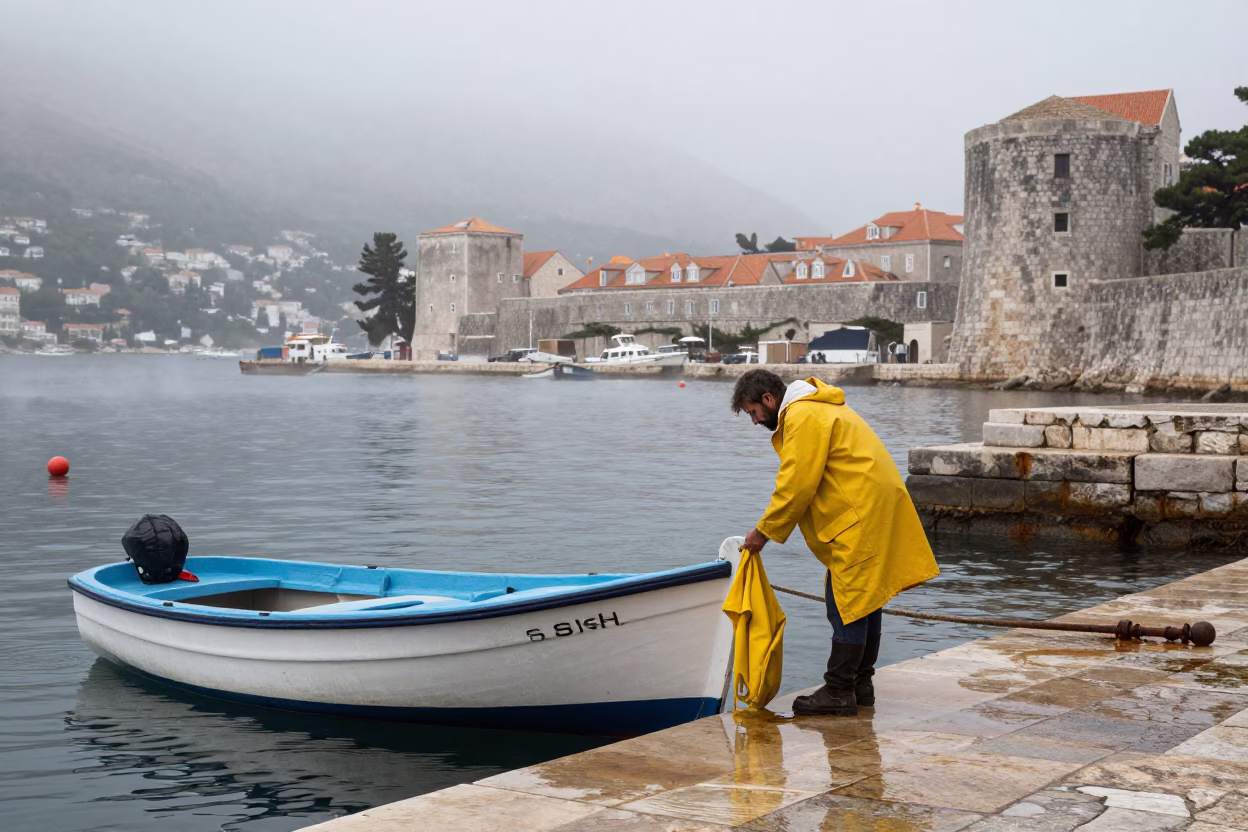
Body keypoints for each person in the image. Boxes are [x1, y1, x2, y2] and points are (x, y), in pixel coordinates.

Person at [731, 369, 939, 716]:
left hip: (860, 515)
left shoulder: (802, 415)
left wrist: (763, 532)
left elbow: (796, 483)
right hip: (874, 508)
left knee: (845, 603)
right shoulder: (820, 407)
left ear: (768, 399)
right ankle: (860, 684)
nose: (754, 421)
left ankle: (840, 689)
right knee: (865, 598)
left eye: (752, 412)